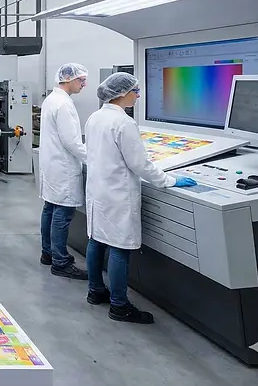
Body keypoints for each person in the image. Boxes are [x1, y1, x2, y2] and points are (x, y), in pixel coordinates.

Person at [84, 72, 197, 323]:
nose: (138, 96)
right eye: (136, 91)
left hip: (98, 190)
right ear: (123, 93)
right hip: (117, 194)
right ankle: (119, 306)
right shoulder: (124, 123)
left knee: (96, 240)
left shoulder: (95, 118)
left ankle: (95, 291)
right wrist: (169, 180)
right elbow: (141, 164)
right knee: (119, 249)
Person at [38, 63, 90, 280]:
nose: (84, 84)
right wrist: (96, 158)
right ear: (68, 78)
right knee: (62, 213)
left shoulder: (52, 99)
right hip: (64, 166)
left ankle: (47, 253)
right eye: (81, 80)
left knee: (50, 208)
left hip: (52, 164)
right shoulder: (64, 104)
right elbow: (72, 142)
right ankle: (60, 261)